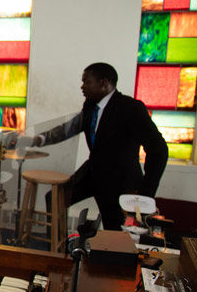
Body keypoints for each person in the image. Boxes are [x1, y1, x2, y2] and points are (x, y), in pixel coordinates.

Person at [33, 62, 168, 231]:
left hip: (120, 182)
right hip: (92, 174)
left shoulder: (131, 109)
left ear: (103, 83)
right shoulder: (90, 106)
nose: (82, 87)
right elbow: (70, 128)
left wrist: (145, 193)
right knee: (55, 198)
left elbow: (159, 150)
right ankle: (56, 251)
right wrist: (38, 139)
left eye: (87, 82)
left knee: (115, 230)